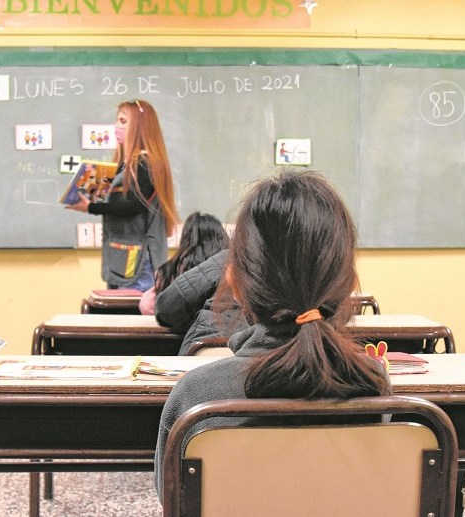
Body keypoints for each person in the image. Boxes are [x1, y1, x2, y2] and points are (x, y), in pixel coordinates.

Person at [154, 170, 392, 499]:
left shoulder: (197, 394)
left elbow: (172, 500)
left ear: (236, 284)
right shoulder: (372, 381)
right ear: (349, 283)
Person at [67, 99, 180, 291]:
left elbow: (132, 205)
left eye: (123, 121)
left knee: (133, 310)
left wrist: (91, 207)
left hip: (139, 263)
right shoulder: (124, 165)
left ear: (139, 126)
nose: (117, 126)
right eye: (117, 120)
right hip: (121, 259)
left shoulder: (145, 163)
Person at [138, 212, 228, 315]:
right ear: (221, 237)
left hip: (178, 322)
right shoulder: (229, 268)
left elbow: (146, 305)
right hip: (218, 322)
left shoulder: (169, 270)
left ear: (185, 239)